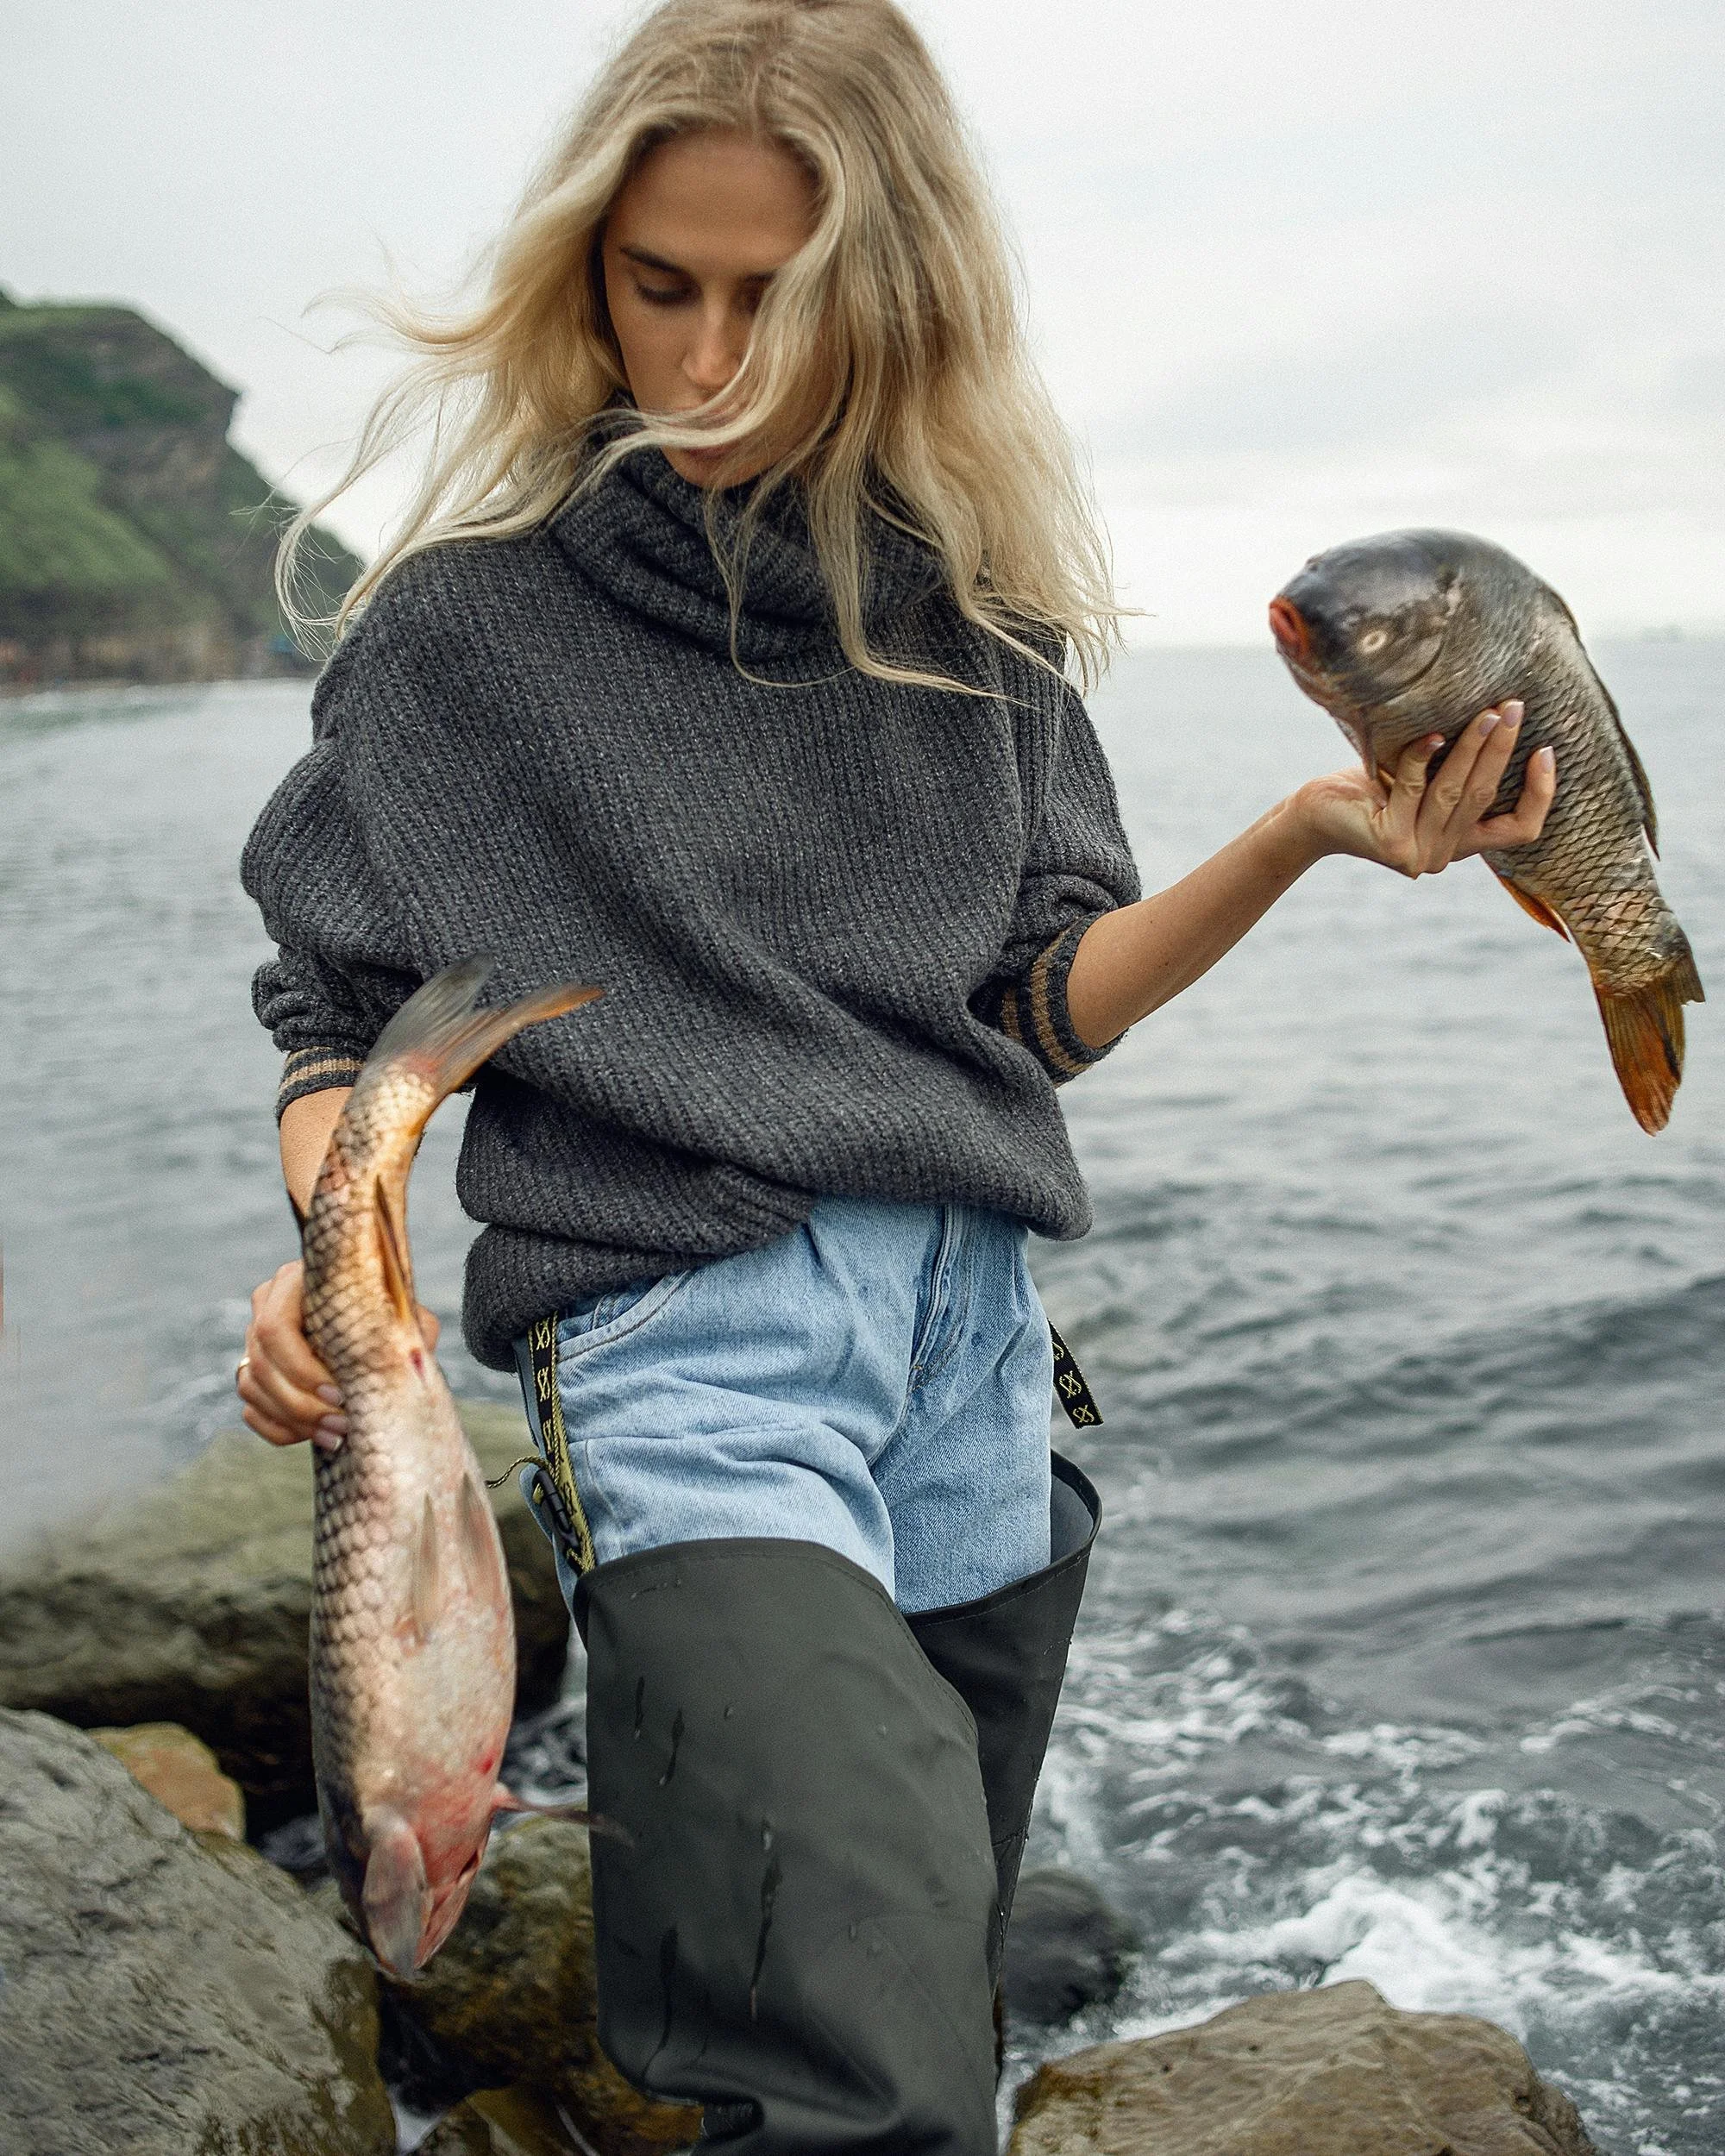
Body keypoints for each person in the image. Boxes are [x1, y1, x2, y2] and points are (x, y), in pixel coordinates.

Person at [236, 3, 1555, 2147]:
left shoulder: (982, 624)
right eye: (658, 284)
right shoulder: (463, 634)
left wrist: (1306, 833)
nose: (707, 357)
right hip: (680, 1353)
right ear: (588, 272)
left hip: (978, 1359)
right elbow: (337, 1016)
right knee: (861, 2084)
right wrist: (337, 1259)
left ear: (893, 293)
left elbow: (1031, 1007)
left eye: (775, 296)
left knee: (927, 1979)